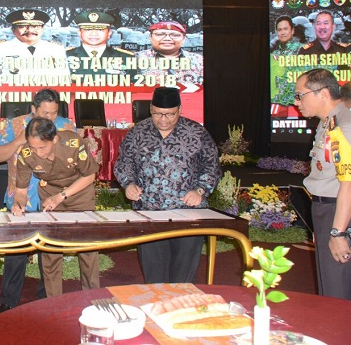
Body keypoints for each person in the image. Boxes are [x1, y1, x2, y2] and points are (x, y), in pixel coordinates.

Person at [113, 87, 220, 283]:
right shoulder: (138, 132)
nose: (163, 119)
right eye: (157, 113)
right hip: (149, 212)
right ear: (151, 109)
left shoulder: (196, 133)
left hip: (188, 213)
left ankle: (180, 310)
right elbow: (124, 163)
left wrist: (200, 190)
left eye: (170, 114)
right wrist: (128, 184)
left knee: (183, 276)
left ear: (179, 109)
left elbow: (211, 166)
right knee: (154, 276)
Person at [0, 88, 75, 313]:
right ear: (33, 109)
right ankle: (8, 300)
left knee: (50, 253)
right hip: (21, 199)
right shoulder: (15, 125)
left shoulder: (66, 126)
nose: (50, 118)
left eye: (54, 113)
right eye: (45, 113)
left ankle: (47, 297)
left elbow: (76, 163)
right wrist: (19, 141)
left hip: (53, 200)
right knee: (16, 253)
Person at [12, 117, 100, 297]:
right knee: (50, 251)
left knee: (88, 250)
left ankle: (92, 298)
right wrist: (18, 204)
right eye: (33, 147)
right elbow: (21, 190)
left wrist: (61, 196)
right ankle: (53, 301)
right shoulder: (26, 154)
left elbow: (90, 176)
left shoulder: (73, 143)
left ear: (54, 139)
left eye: (42, 147)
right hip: (49, 197)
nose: (37, 152)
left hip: (79, 194)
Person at [294, 69, 351, 300]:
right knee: (330, 287)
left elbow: (350, 185)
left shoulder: (344, 126)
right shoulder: (328, 123)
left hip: (339, 212)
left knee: (339, 290)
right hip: (326, 210)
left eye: (301, 95)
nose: (296, 102)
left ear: (323, 93)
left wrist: (338, 232)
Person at [0, 8, 70, 83]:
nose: (30, 30)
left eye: (35, 26)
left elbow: (64, 81)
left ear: (43, 29)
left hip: (46, 101)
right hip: (12, 100)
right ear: (13, 30)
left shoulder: (56, 49)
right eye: (23, 26)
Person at [66, 10, 133, 77]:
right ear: (79, 33)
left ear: (109, 33)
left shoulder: (125, 57)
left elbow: (133, 84)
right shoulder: (65, 56)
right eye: (88, 29)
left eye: (100, 29)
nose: (94, 34)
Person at [136, 21, 203, 85]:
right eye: (160, 34)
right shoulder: (135, 58)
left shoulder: (199, 60)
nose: (167, 38)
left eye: (175, 35)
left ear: (183, 39)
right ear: (150, 37)